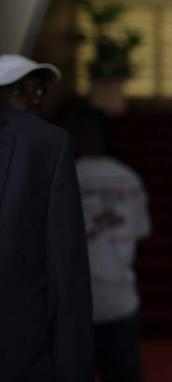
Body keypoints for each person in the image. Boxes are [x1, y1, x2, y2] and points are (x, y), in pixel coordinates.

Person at [0, 54, 94, 380]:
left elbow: (65, 277)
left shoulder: (48, 146)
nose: (34, 101)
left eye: (40, 92)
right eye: (20, 91)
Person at [65, 106, 151, 382]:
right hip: (121, 301)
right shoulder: (129, 178)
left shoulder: (65, 177)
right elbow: (139, 232)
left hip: (76, 305)